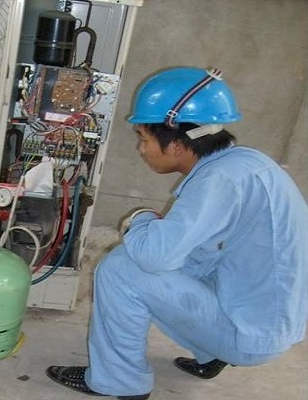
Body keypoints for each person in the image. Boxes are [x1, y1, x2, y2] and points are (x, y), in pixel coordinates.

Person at [45, 66, 308, 400]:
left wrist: (139, 219)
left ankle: (119, 382)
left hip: (251, 336)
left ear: (177, 143)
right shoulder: (246, 163)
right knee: (178, 263)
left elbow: (153, 258)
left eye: (144, 139)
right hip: (269, 323)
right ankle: (212, 353)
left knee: (120, 269)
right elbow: (196, 252)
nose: (141, 149)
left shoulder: (218, 181)